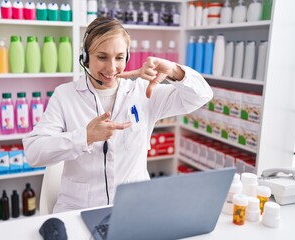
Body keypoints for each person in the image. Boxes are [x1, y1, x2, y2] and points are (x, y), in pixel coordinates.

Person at [23, 17, 213, 213]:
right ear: (86, 57)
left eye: (119, 57)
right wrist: (85, 136)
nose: (111, 68)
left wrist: (174, 70)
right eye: (102, 57)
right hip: (79, 208)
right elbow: (34, 152)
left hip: (135, 207)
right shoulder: (65, 95)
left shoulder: (143, 92)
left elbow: (202, 96)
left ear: (128, 57)